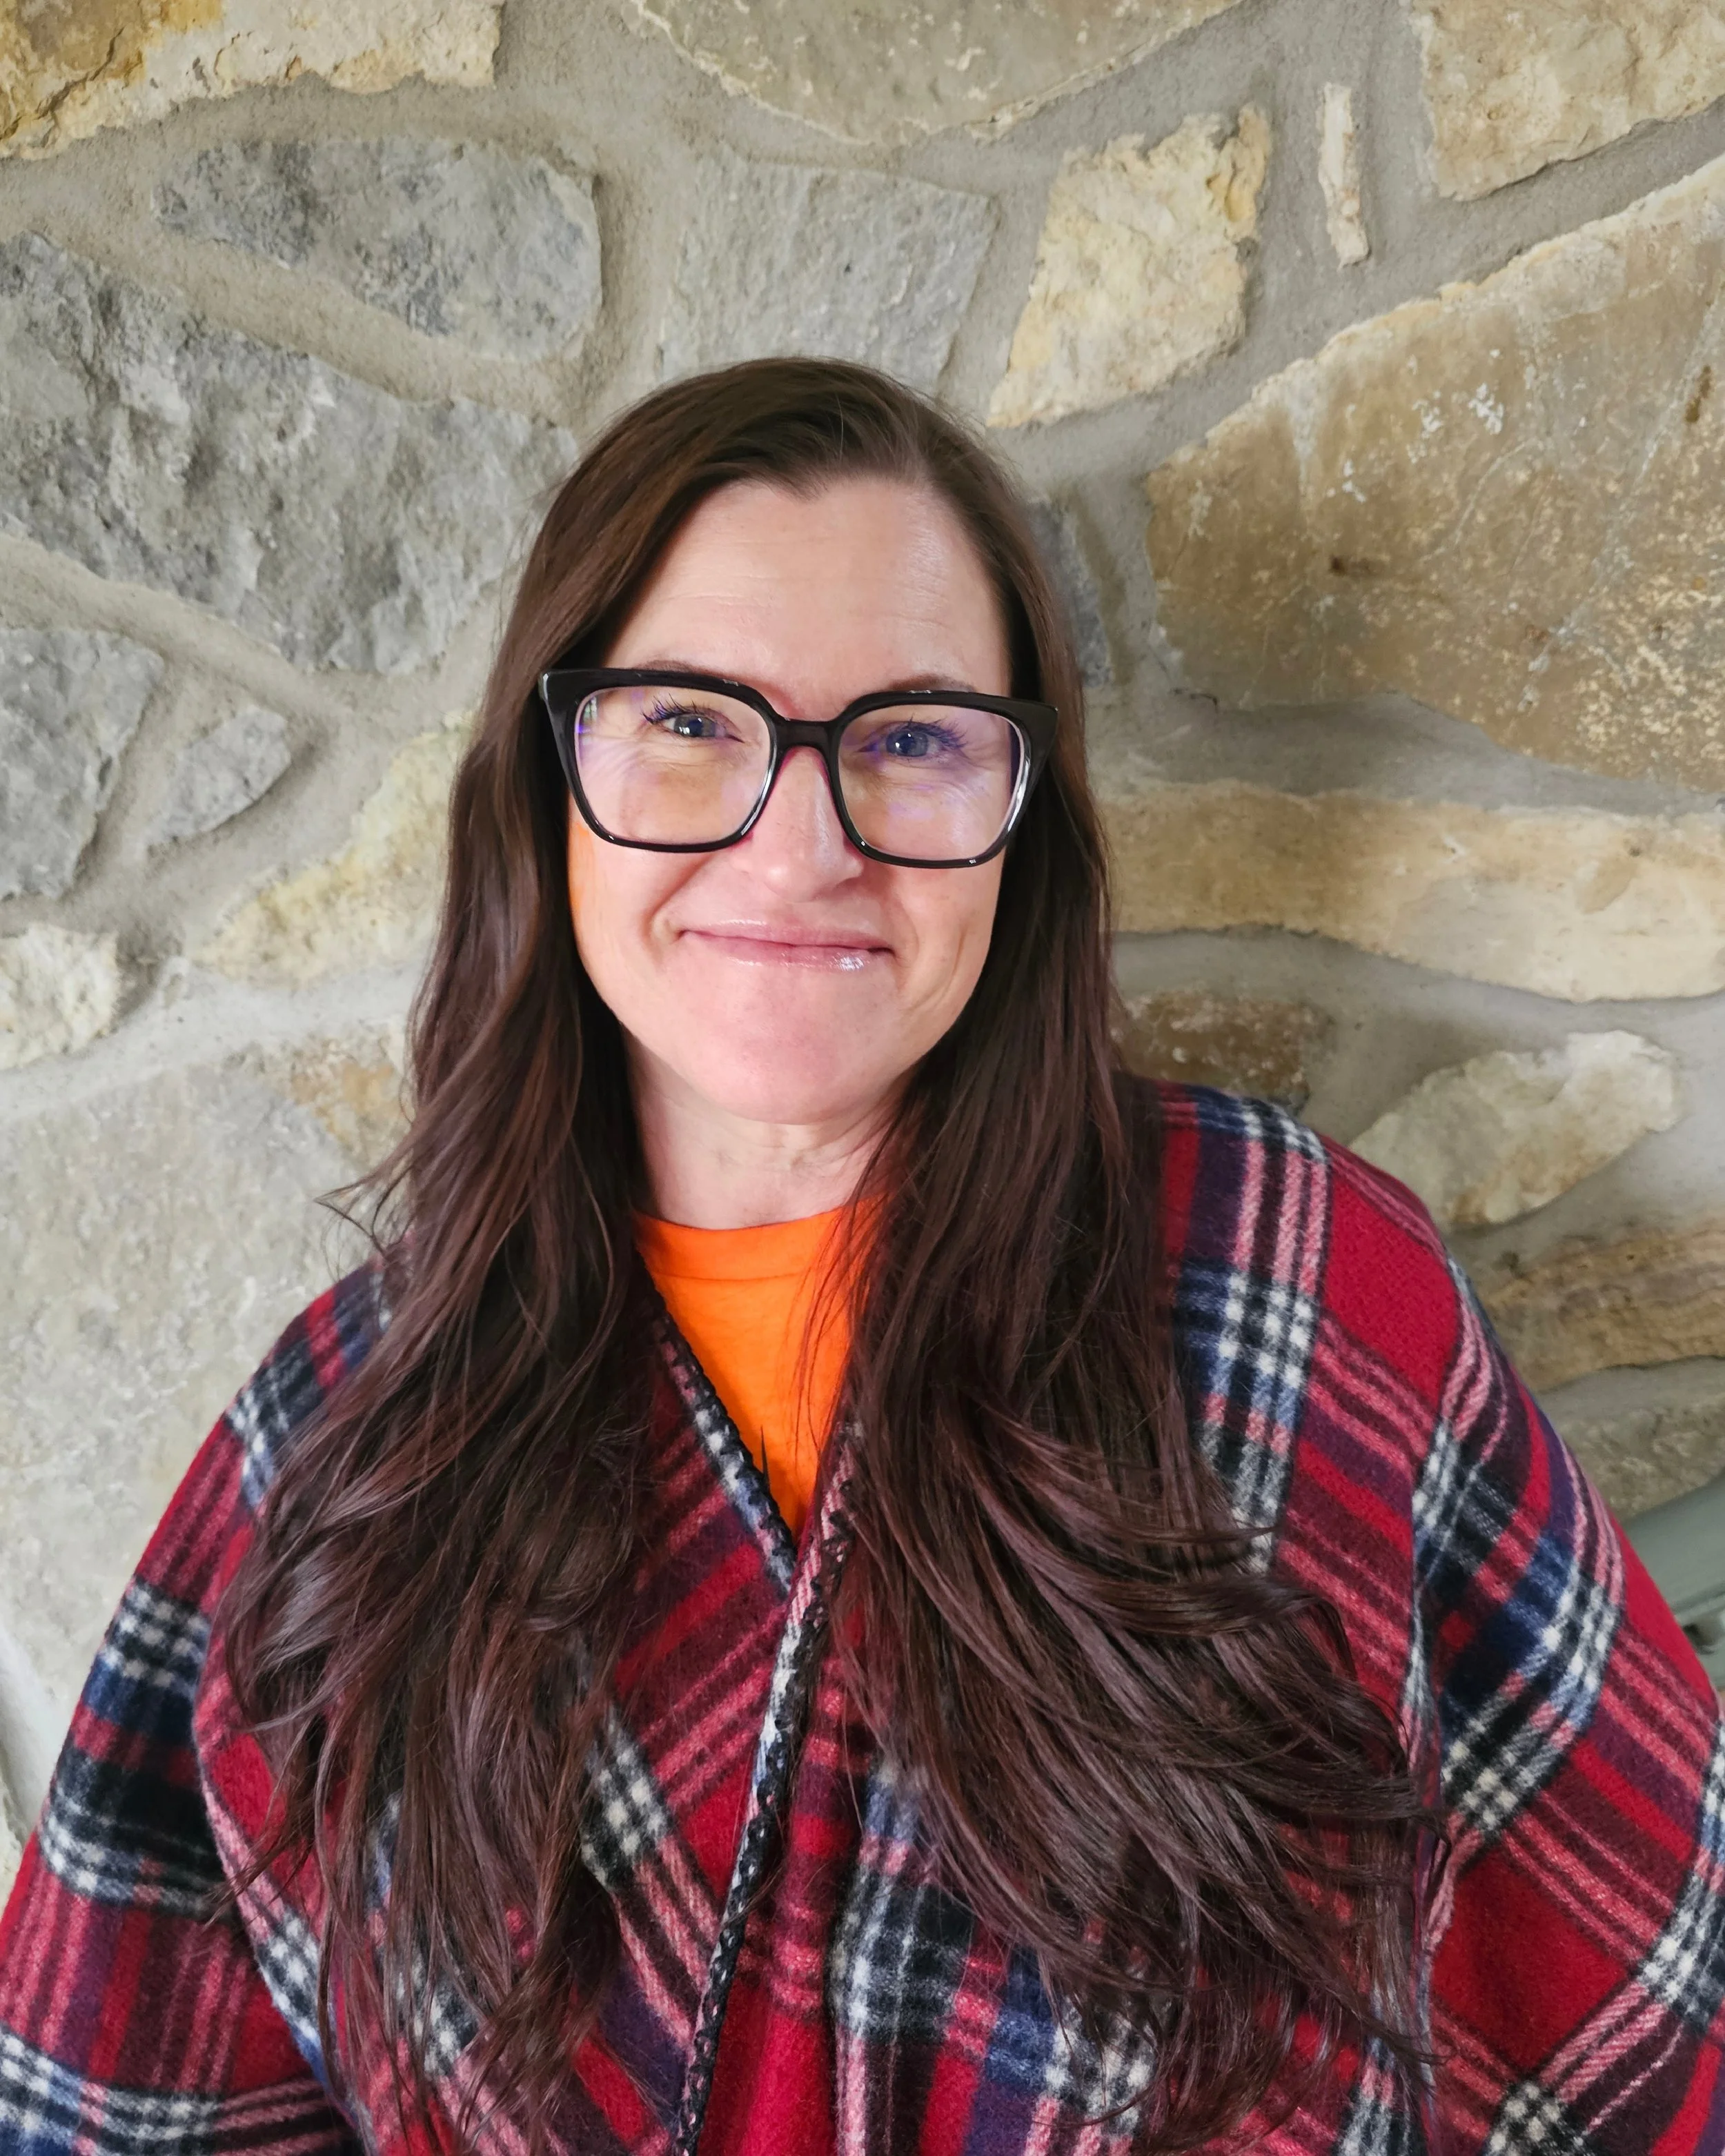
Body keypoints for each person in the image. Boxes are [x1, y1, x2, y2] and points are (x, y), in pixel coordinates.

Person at [1, 359, 1719, 2156]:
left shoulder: (1297, 1284)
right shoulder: (340, 1445)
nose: (796, 843)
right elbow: (115, 2093)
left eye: (908, 738)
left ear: (1018, 818)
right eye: (688, 723)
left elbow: (1643, 2010)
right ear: (547, 777)